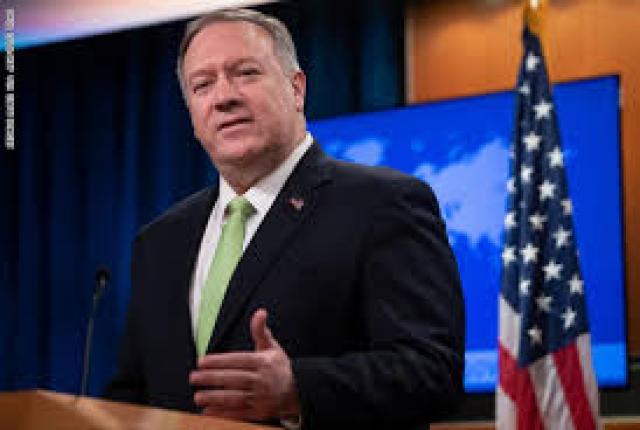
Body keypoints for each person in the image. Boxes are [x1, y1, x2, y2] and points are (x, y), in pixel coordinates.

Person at [106, 8, 465, 429]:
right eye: (203, 85)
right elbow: (133, 393)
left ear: (297, 89)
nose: (224, 97)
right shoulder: (160, 241)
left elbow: (433, 371)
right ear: (192, 115)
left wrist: (298, 388)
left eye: (245, 73)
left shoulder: (383, 203)